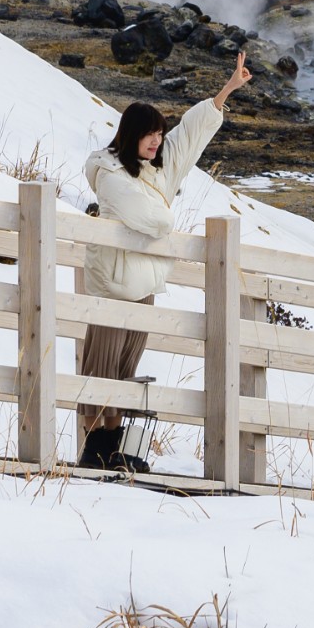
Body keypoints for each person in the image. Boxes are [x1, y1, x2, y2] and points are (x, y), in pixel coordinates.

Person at [78, 52, 254, 470]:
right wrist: (167, 218)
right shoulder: (110, 174)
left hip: (144, 287)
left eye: (159, 134)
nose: (157, 141)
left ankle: (113, 451)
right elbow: (151, 218)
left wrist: (225, 91)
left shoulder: (158, 168)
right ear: (130, 136)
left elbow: (190, 134)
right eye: (149, 135)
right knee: (102, 369)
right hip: (115, 285)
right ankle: (94, 452)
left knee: (125, 367)